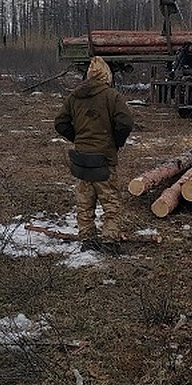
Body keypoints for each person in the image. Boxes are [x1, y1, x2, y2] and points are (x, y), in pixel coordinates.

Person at [54, 56, 134, 252]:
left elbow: (60, 123)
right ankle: (110, 242)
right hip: (104, 159)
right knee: (111, 202)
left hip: (81, 158)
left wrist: (77, 139)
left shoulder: (74, 96)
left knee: (84, 202)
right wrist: (115, 143)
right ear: (106, 75)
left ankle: (87, 240)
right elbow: (126, 122)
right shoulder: (111, 96)